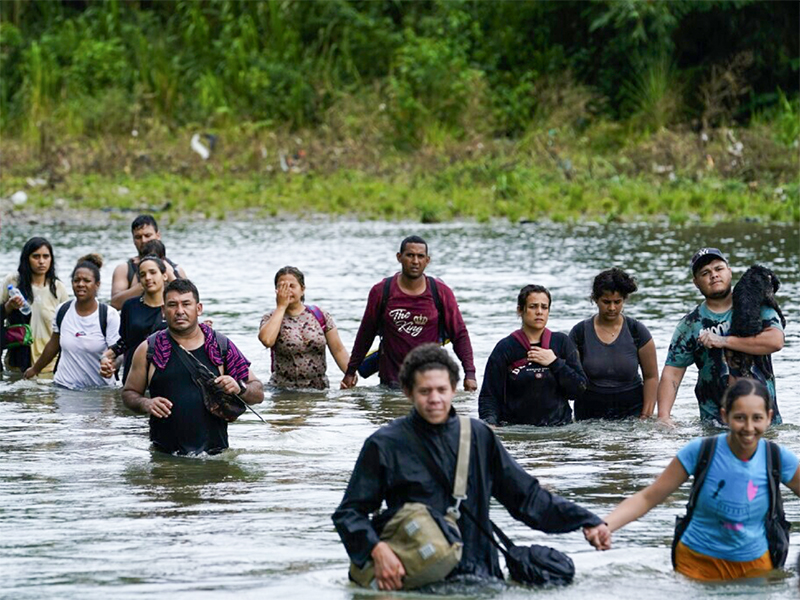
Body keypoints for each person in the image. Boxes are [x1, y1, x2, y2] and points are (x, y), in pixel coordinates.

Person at [332, 344, 609, 590]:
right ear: (408, 392)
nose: (435, 399)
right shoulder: (384, 444)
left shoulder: (479, 436)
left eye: (442, 390)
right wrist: (377, 550)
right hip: (419, 580)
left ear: (454, 389)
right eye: (424, 391)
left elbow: (527, 498)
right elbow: (349, 513)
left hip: (481, 577)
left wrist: (585, 519)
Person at [601, 379, 800, 581]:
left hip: (756, 569)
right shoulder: (701, 451)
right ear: (725, 416)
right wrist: (605, 526)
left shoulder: (777, 458)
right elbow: (648, 498)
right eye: (740, 418)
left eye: (757, 418)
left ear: (769, 417)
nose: (748, 427)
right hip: (695, 566)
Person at [121, 279, 264, 455]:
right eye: (172, 305)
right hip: (165, 459)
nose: (179, 311)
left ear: (199, 308)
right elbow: (129, 393)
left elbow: (258, 393)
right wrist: (146, 403)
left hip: (215, 457)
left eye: (186, 304)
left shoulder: (220, 346)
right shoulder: (149, 349)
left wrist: (239, 388)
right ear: (163, 311)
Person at [657, 248, 785, 425]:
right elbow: (672, 373)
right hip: (714, 425)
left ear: (729, 272)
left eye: (719, 269)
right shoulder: (690, 324)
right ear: (696, 282)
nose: (714, 275)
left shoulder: (757, 306)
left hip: (764, 423)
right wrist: (663, 417)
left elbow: (775, 341)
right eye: (705, 273)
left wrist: (723, 341)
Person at [340, 236, 477, 390]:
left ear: (427, 260)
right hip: (391, 384)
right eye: (410, 255)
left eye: (420, 256)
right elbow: (366, 333)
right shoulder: (381, 291)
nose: (415, 261)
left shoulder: (440, 292)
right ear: (399, 257)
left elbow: (459, 334)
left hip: (430, 383)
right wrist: (351, 371)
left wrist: (470, 374)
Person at [478, 285, 586, 427]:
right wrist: (490, 425)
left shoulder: (561, 343)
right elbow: (489, 396)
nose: (539, 312)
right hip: (517, 431)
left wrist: (555, 363)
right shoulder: (505, 347)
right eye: (533, 307)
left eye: (544, 307)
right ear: (520, 310)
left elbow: (579, 389)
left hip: (559, 431)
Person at [569, 268, 658, 420]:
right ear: (595, 299)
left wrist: (645, 415)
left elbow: (651, 377)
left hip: (631, 412)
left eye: (617, 302)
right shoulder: (579, 333)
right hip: (589, 415)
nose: (612, 308)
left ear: (624, 300)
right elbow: (571, 378)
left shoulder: (637, 331)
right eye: (606, 302)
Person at [23, 254, 120, 389]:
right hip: (64, 387)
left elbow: (117, 352)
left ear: (97, 284)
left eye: (86, 281)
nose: (80, 284)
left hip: (98, 390)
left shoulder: (109, 315)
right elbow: (54, 344)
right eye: (76, 280)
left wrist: (111, 367)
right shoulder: (62, 311)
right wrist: (35, 369)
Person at [257, 266, 351, 389]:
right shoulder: (270, 318)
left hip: (320, 390)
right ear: (276, 291)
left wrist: (350, 374)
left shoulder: (320, 315)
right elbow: (267, 341)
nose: (287, 291)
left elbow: (338, 350)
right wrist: (281, 307)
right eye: (282, 287)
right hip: (284, 391)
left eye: (292, 286)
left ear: (302, 289)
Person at [2, 237, 69, 372]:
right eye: (36, 256)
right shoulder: (13, 282)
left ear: (51, 259)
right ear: (27, 259)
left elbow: (68, 327)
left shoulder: (58, 288)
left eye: (46, 256)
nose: (41, 261)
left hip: (49, 365)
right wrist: (9, 307)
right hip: (17, 363)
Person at [100, 255, 168, 384]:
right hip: (133, 379)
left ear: (164, 275)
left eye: (153, 272)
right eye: (142, 275)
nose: (148, 278)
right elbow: (124, 343)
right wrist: (105, 358)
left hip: (164, 381)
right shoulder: (130, 306)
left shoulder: (174, 306)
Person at [110, 215, 186, 310]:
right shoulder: (124, 269)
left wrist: (170, 276)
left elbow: (189, 301)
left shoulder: (176, 269)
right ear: (133, 240)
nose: (143, 241)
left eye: (148, 235)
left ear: (158, 235)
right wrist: (145, 284)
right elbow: (115, 304)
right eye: (138, 237)